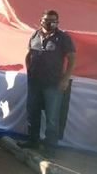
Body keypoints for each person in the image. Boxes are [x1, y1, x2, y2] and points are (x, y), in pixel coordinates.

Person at [19, 10, 75, 157]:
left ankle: (50, 148)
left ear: (58, 22)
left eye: (54, 20)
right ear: (41, 20)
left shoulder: (63, 37)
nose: (50, 23)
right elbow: (28, 54)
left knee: (52, 117)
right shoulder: (34, 35)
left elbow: (72, 58)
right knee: (33, 113)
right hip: (35, 83)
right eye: (47, 20)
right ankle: (33, 141)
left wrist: (65, 79)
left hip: (54, 84)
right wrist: (29, 71)